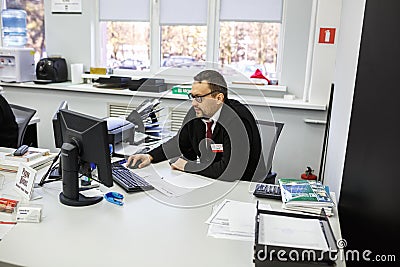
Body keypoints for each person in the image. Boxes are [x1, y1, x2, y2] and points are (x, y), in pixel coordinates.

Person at [127, 69, 266, 182]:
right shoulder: (197, 112)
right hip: (212, 179)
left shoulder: (238, 119)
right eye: (192, 97)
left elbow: (230, 171)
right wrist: (150, 156)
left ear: (218, 98)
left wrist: (187, 166)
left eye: (199, 97)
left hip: (244, 185)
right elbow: (179, 142)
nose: (194, 103)